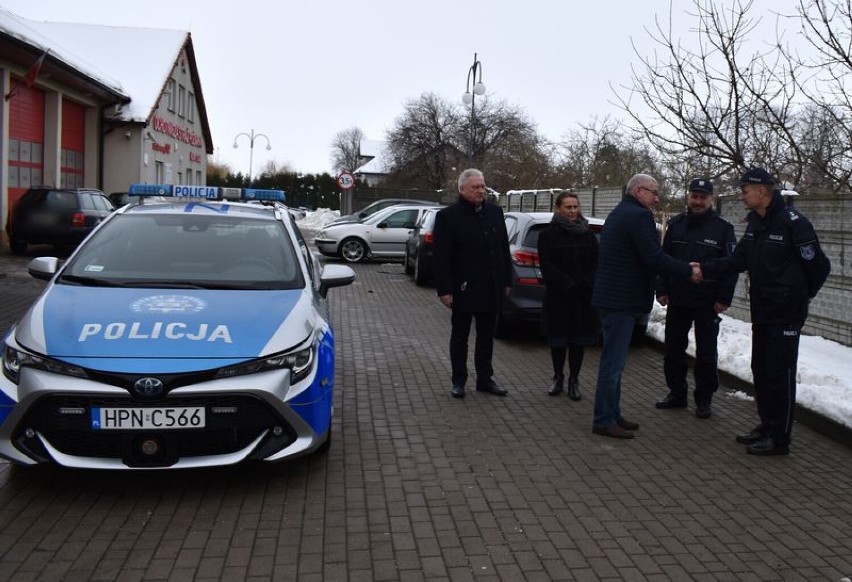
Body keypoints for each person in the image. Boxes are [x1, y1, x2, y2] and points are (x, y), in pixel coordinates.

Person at [700, 167, 830, 455]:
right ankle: (767, 425)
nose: (742, 194)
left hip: (785, 313)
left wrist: (799, 296)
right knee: (761, 369)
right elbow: (737, 260)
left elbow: (819, 267)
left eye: (745, 189)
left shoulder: (793, 223)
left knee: (779, 372)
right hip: (763, 311)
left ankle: (779, 438)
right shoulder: (756, 223)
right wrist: (702, 268)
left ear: (762, 191)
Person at [591, 174, 701, 439]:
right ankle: (604, 419)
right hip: (621, 301)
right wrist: (688, 270)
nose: (657, 198)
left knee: (614, 362)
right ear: (639, 191)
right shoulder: (639, 216)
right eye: (654, 192)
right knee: (613, 364)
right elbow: (654, 257)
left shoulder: (620, 212)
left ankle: (612, 413)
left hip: (613, 298)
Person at [655, 178, 738, 419]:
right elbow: (664, 259)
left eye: (703, 197)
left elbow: (731, 267)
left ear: (711, 199)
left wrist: (724, 297)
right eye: (695, 196)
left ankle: (704, 400)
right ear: (688, 197)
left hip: (707, 302)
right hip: (678, 299)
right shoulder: (676, 225)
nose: (698, 201)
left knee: (706, 354)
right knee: (673, 350)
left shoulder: (723, 229)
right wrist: (661, 289)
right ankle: (676, 394)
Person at [432, 168, 512, 399]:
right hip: (463, 287)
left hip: (491, 286)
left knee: (486, 337)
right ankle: (459, 380)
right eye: (475, 187)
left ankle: (485, 379)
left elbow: (503, 252)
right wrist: (445, 290)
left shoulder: (495, 213)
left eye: (483, 186)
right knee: (460, 337)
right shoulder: (448, 217)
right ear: (462, 189)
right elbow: (441, 257)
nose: (481, 190)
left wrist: (507, 280)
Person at [537, 192, 599, 401]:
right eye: (568, 207)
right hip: (559, 296)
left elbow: (596, 264)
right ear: (558, 209)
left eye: (575, 207)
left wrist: (585, 284)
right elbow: (547, 265)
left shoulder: (589, 235)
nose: (573, 211)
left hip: (582, 296)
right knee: (558, 340)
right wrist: (567, 285)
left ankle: (574, 379)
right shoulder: (547, 236)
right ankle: (558, 376)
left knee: (577, 340)